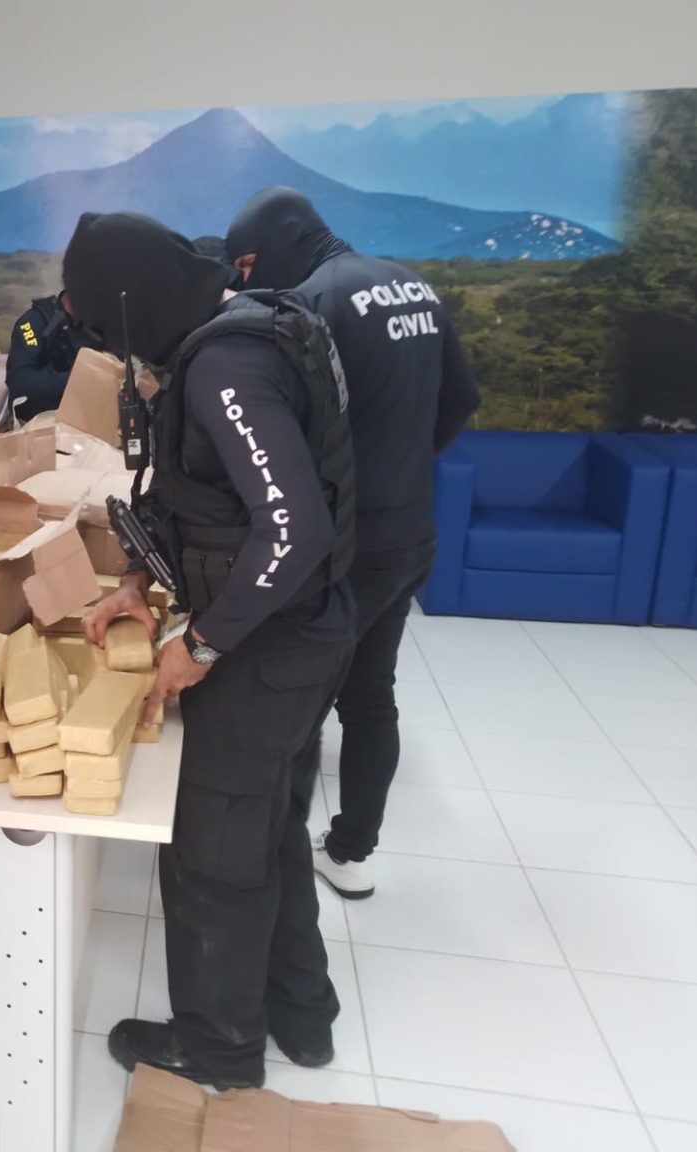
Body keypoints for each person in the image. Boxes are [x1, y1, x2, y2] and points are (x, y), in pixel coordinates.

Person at [65, 211, 357, 1087]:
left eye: (102, 326)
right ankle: (302, 1015)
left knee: (214, 847)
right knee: (266, 829)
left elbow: (292, 532)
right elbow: (200, 492)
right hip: (298, 631)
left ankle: (219, 1047)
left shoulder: (227, 366)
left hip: (268, 643)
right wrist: (136, 581)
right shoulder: (241, 331)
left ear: (133, 302)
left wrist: (200, 642)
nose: (111, 349)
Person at [226, 187, 480, 898]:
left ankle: (271, 863)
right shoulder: (411, 285)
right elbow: (462, 398)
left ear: (275, 243)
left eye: (246, 265)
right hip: (410, 533)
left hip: (345, 546)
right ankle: (351, 853)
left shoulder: (312, 304)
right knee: (370, 696)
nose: (246, 281)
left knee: (295, 704)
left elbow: (289, 435)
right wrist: (403, 465)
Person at [4, 288, 105, 421]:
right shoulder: (34, 322)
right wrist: (76, 379)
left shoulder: (103, 329)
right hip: (39, 423)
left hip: (91, 422)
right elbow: (20, 385)